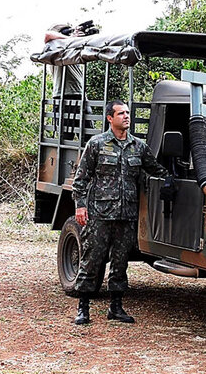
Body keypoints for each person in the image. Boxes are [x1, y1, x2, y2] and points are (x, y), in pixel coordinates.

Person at [71, 100, 168, 325]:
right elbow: (81, 179)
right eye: (121, 113)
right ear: (109, 118)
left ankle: (116, 307)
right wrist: (80, 206)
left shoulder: (138, 146)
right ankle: (83, 307)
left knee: (120, 262)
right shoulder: (96, 144)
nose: (126, 116)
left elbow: (154, 168)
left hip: (126, 216)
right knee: (92, 260)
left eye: (127, 112)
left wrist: (170, 178)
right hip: (100, 215)